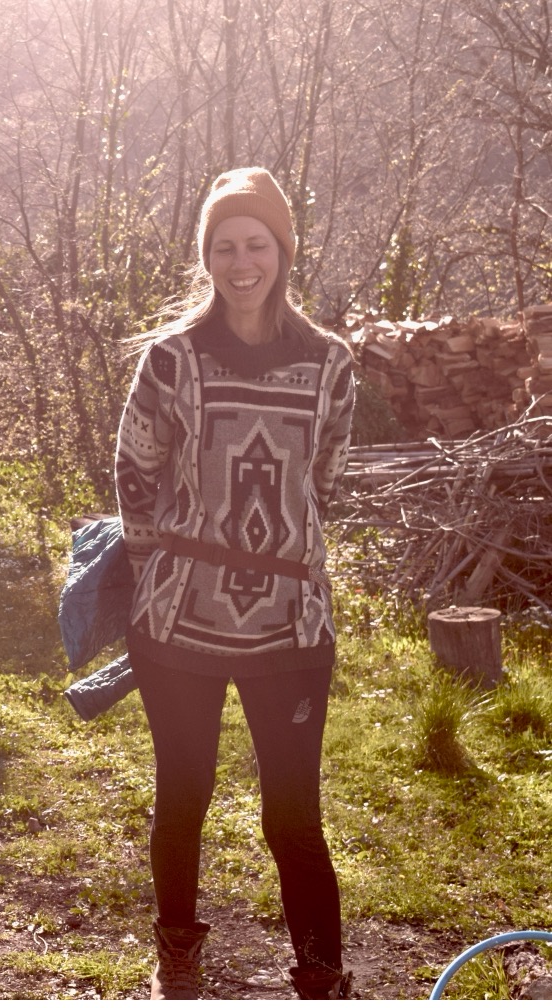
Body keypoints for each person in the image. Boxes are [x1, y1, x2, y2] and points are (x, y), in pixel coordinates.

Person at [114, 168, 356, 999]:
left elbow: (325, 478)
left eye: (256, 244)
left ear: (282, 250)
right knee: (184, 794)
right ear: (206, 256)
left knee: (293, 816)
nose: (241, 262)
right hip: (178, 623)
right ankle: (178, 958)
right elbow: (134, 470)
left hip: (292, 626)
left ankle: (321, 976)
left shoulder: (330, 364)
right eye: (224, 246)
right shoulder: (172, 359)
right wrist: (152, 572)